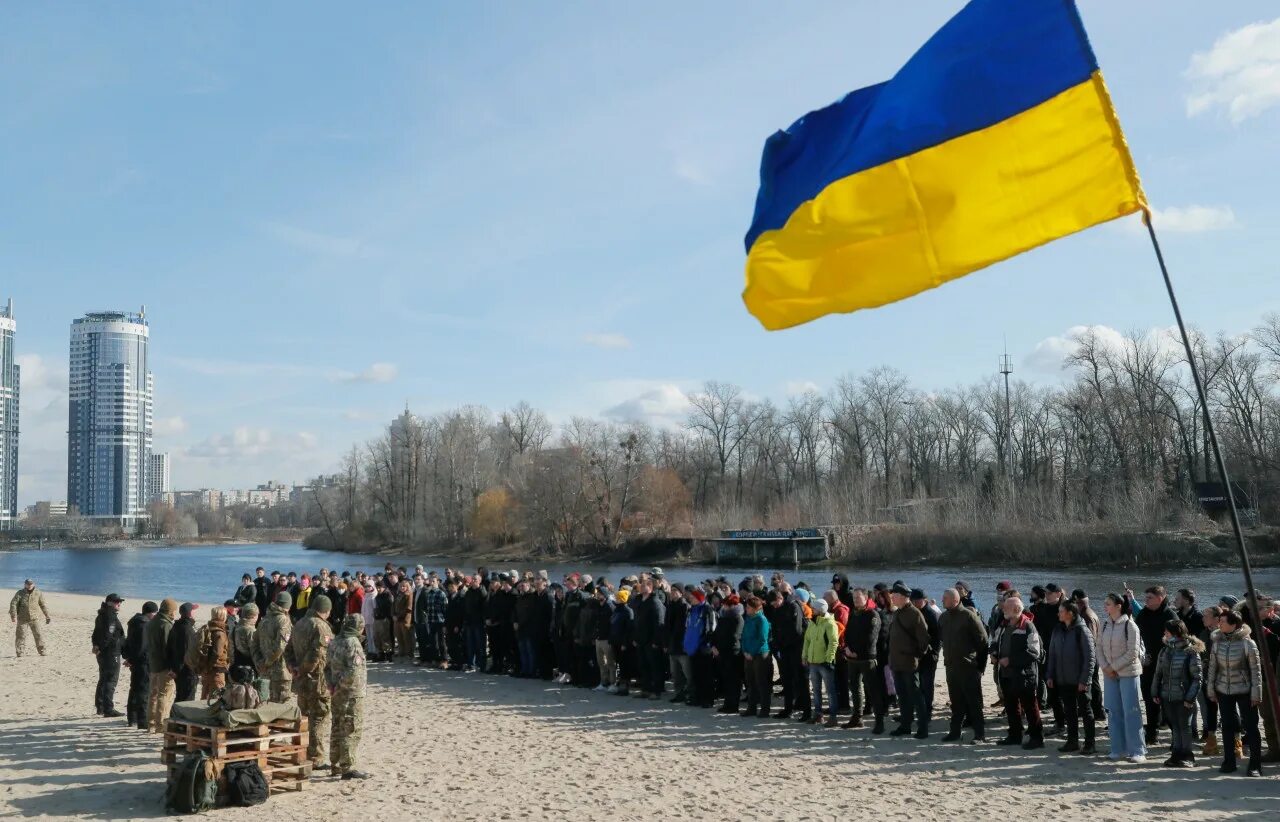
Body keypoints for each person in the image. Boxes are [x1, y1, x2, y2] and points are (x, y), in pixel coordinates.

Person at [1207, 609, 1263, 776]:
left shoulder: (1248, 643)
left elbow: (1256, 671)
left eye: (1223, 621)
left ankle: (1255, 764)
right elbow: (1212, 668)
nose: (1219, 624)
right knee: (1227, 726)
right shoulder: (1217, 642)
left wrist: (1256, 694)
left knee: (1252, 727)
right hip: (1223, 689)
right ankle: (1229, 761)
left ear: (1233, 624)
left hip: (1245, 690)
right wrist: (1211, 689)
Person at [287, 594, 335, 771]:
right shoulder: (321, 627)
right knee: (319, 718)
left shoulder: (299, 623)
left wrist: (294, 667)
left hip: (301, 679)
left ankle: (302, 752)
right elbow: (318, 654)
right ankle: (315, 758)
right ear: (325, 611)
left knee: (304, 717)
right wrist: (304, 669)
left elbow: (288, 649)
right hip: (317, 680)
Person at [1097, 592, 1146, 762]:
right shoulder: (1104, 624)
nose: (1105, 606)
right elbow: (1099, 648)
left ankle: (1138, 750)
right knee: (1113, 711)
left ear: (1119, 605)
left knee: (1131, 711)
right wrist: (1105, 667)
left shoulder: (1130, 625)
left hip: (1128, 673)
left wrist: (1113, 667)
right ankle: (1117, 749)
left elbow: (1132, 653)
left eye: (1108, 603)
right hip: (1109, 674)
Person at [938, 588, 988, 743]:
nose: (942, 600)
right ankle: (955, 732)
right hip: (951, 667)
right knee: (956, 702)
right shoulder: (944, 617)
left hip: (969, 667)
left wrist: (980, 667)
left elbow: (983, 642)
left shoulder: (969, 616)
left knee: (974, 703)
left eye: (945, 598)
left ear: (955, 600)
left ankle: (980, 735)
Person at [1151, 618, 1204, 767]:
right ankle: (1176, 754)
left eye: (1167, 631)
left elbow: (1197, 678)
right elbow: (1158, 674)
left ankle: (1187, 755)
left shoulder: (1191, 652)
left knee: (1184, 726)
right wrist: (1155, 692)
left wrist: (1190, 697)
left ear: (1176, 633)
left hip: (1184, 696)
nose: (1165, 633)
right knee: (1174, 725)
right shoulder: (1165, 650)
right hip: (1167, 695)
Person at [1046, 601, 1096, 754]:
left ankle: (1089, 744)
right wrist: (1050, 675)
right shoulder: (1057, 629)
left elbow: (1090, 658)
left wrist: (1085, 680)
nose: (1058, 613)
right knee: (1069, 711)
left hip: (1079, 680)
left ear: (1071, 613)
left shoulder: (1082, 630)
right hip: (1063, 679)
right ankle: (1072, 741)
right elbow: (1052, 655)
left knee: (1086, 711)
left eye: (1061, 611)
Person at [325, 613, 370, 780]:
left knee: (337, 725)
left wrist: (332, 684)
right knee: (351, 728)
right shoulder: (353, 643)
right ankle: (348, 767)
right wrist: (340, 685)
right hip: (351, 693)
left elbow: (326, 666)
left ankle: (335, 763)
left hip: (337, 693)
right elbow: (353, 671)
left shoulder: (335, 641)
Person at [887, 582, 931, 738]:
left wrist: (915, 655)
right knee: (903, 696)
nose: (892, 598)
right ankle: (905, 725)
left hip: (909, 662)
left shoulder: (914, 613)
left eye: (895, 595)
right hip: (896, 662)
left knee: (916, 696)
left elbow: (924, 639)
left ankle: (922, 728)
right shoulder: (898, 612)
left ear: (902, 597)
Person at [1135, 585, 1175, 746]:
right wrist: (1142, 656)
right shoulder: (1143, 614)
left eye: (1150, 597)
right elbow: (1137, 636)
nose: (1146, 601)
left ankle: (1176, 735)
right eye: (1146, 598)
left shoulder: (1170, 615)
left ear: (1160, 598)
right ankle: (1152, 733)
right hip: (1147, 664)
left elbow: (1177, 640)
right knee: (1149, 698)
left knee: (1167, 701)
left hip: (1166, 664)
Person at [844, 587, 886, 733]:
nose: (855, 599)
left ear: (866, 598)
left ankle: (879, 721)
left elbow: (871, 638)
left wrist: (857, 652)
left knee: (873, 690)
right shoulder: (853, 613)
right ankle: (857, 717)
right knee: (855, 688)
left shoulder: (873, 614)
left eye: (858, 597)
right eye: (854, 597)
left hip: (867, 658)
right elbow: (847, 632)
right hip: (852, 658)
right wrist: (847, 648)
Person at [768, 587, 806, 720]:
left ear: (780, 598)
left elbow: (797, 630)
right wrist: (777, 645)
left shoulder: (793, 606)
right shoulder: (777, 610)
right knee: (786, 680)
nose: (774, 606)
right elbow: (775, 629)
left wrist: (783, 643)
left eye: (774, 603)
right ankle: (787, 709)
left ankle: (806, 711)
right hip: (783, 649)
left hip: (796, 648)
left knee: (801, 680)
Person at [802, 598, 839, 727]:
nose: (812, 610)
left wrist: (828, 659)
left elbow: (834, 642)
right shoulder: (813, 622)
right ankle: (818, 715)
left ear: (821, 610)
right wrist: (805, 655)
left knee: (830, 691)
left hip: (824, 662)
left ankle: (833, 717)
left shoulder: (830, 623)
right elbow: (807, 640)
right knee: (816, 690)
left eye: (815, 608)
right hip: (813, 662)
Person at [253, 591, 294, 704]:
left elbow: (254, 642)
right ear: (287, 606)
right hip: (279, 672)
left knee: (265, 705)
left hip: (264, 671)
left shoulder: (265, 619)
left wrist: (258, 661)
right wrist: (267, 662)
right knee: (280, 708)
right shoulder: (283, 620)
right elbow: (281, 646)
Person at [144, 598, 178, 732]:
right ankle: (159, 725)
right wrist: (171, 667)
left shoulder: (151, 622)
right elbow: (167, 648)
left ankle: (150, 723)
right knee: (163, 695)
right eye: (174, 610)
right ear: (170, 611)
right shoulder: (166, 625)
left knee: (153, 694)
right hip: (163, 665)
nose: (175, 613)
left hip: (153, 663)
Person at [122, 601, 157, 730]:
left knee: (135, 688)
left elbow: (130, 642)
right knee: (142, 690)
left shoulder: (135, 622)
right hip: (142, 662)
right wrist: (132, 659)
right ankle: (141, 720)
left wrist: (130, 658)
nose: (155, 615)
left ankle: (132, 718)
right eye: (155, 613)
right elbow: (141, 647)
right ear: (151, 613)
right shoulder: (144, 624)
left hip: (137, 660)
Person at [91, 593, 126, 718]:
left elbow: (95, 634)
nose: (119, 604)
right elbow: (108, 635)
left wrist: (96, 646)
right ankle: (108, 709)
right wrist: (100, 647)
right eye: (117, 602)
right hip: (111, 653)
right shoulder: (109, 615)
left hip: (104, 652)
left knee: (103, 679)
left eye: (120, 602)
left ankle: (100, 706)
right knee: (110, 680)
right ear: (109, 602)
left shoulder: (101, 614)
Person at [711, 593, 744, 714]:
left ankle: (733, 705)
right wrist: (714, 645)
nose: (723, 607)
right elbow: (716, 633)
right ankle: (727, 703)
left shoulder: (738, 618)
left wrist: (720, 647)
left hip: (733, 653)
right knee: (726, 679)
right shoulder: (723, 617)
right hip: (722, 653)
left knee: (734, 681)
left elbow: (734, 637)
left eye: (726, 605)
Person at [684, 588, 716, 708]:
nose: (690, 599)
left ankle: (707, 699)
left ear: (700, 598)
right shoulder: (691, 610)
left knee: (706, 675)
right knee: (695, 674)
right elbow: (688, 626)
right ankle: (697, 697)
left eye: (693, 597)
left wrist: (706, 642)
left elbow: (711, 628)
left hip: (704, 647)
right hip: (693, 647)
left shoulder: (707, 609)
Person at [740, 594, 772, 718]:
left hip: (760, 654)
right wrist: (745, 651)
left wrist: (751, 653)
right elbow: (744, 636)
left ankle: (765, 709)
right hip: (748, 654)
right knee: (750, 682)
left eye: (748, 607)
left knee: (761, 682)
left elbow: (762, 639)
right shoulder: (748, 619)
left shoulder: (762, 620)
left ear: (755, 608)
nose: (746, 609)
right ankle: (751, 708)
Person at [10, 578, 51, 657]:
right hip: (22, 618)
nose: (29, 585)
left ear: (33, 584)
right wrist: (13, 615)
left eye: (30, 584)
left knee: (39, 635)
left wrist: (47, 615)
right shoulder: (20, 593)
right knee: (21, 635)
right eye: (27, 584)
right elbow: (13, 604)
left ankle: (42, 650)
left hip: (34, 618)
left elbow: (43, 605)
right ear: (25, 584)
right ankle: (20, 652)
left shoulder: (38, 593)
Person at [197, 606, 231, 699]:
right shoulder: (220, 633)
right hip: (216, 669)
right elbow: (217, 653)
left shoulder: (208, 629)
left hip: (205, 667)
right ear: (223, 616)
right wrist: (210, 667)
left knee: (204, 695)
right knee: (217, 697)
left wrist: (205, 668)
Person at [168, 603, 199, 702]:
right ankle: (179, 716)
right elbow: (184, 650)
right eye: (193, 611)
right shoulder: (186, 629)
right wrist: (177, 669)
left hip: (179, 668)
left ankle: (176, 715)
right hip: (186, 670)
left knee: (181, 696)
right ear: (190, 613)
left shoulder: (177, 626)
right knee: (186, 699)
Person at [608, 589, 634, 696]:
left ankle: (625, 686)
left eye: (618, 598)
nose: (615, 599)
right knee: (618, 663)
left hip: (623, 643)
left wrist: (625, 643)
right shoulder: (616, 610)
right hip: (615, 641)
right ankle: (620, 683)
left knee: (625, 664)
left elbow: (629, 629)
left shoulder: (628, 611)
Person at [232, 603, 258, 673]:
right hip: (250, 666)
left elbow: (231, 648)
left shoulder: (235, 628)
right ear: (254, 616)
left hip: (236, 664)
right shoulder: (251, 631)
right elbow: (254, 651)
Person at [393, 580, 414, 662]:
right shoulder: (398, 594)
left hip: (405, 619)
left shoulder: (409, 595)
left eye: (404, 586)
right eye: (401, 586)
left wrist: (398, 616)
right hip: (397, 619)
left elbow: (408, 608)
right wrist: (393, 615)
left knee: (407, 637)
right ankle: (401, 652)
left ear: (407, 587)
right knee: (399, 636)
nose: (402, 588)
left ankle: (409, 653)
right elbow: (393, 605)